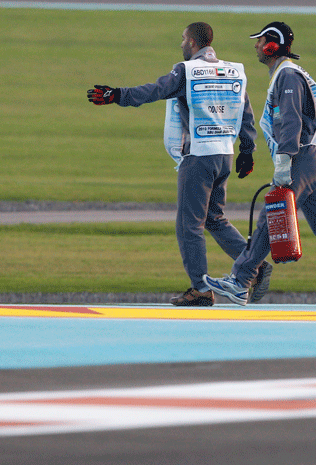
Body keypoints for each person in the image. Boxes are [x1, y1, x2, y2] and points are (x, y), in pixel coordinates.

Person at [87, 22, 272, 307]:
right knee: (214, 218)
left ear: (194, 43)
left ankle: (201, 289)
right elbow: (243, 111)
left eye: (184, 39)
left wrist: (117, 95)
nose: (181, 44)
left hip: (198, 157)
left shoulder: (186, 71)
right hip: (224, 156)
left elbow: (155, 90)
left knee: (189, 225)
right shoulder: (234, 71)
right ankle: (253, 264)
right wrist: (247, 150)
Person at [203, 22, 316, 308]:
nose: (256, 46)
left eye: (260, 41)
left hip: (300, 158)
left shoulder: (288, 76)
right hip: (313, 157)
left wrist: (283, 161)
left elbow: (290, 120)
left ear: (272, 46)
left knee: (272, 216)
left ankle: (240, 282)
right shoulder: (288, 74)